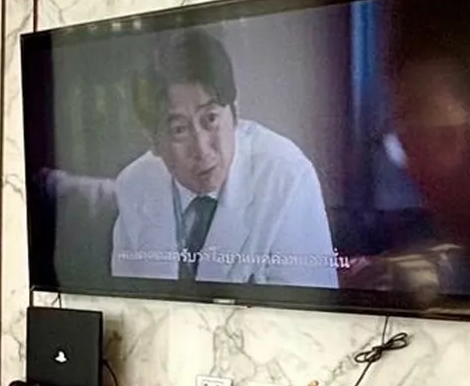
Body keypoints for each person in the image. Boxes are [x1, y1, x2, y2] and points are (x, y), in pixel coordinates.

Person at [109, 29, 337, 288]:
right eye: (179, 130)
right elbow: (130, 300)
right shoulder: (134, 185)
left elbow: (308, 305)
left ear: (235, 113)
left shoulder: (287, 176)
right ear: (153, 142)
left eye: (211, 118)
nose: (202, 149)